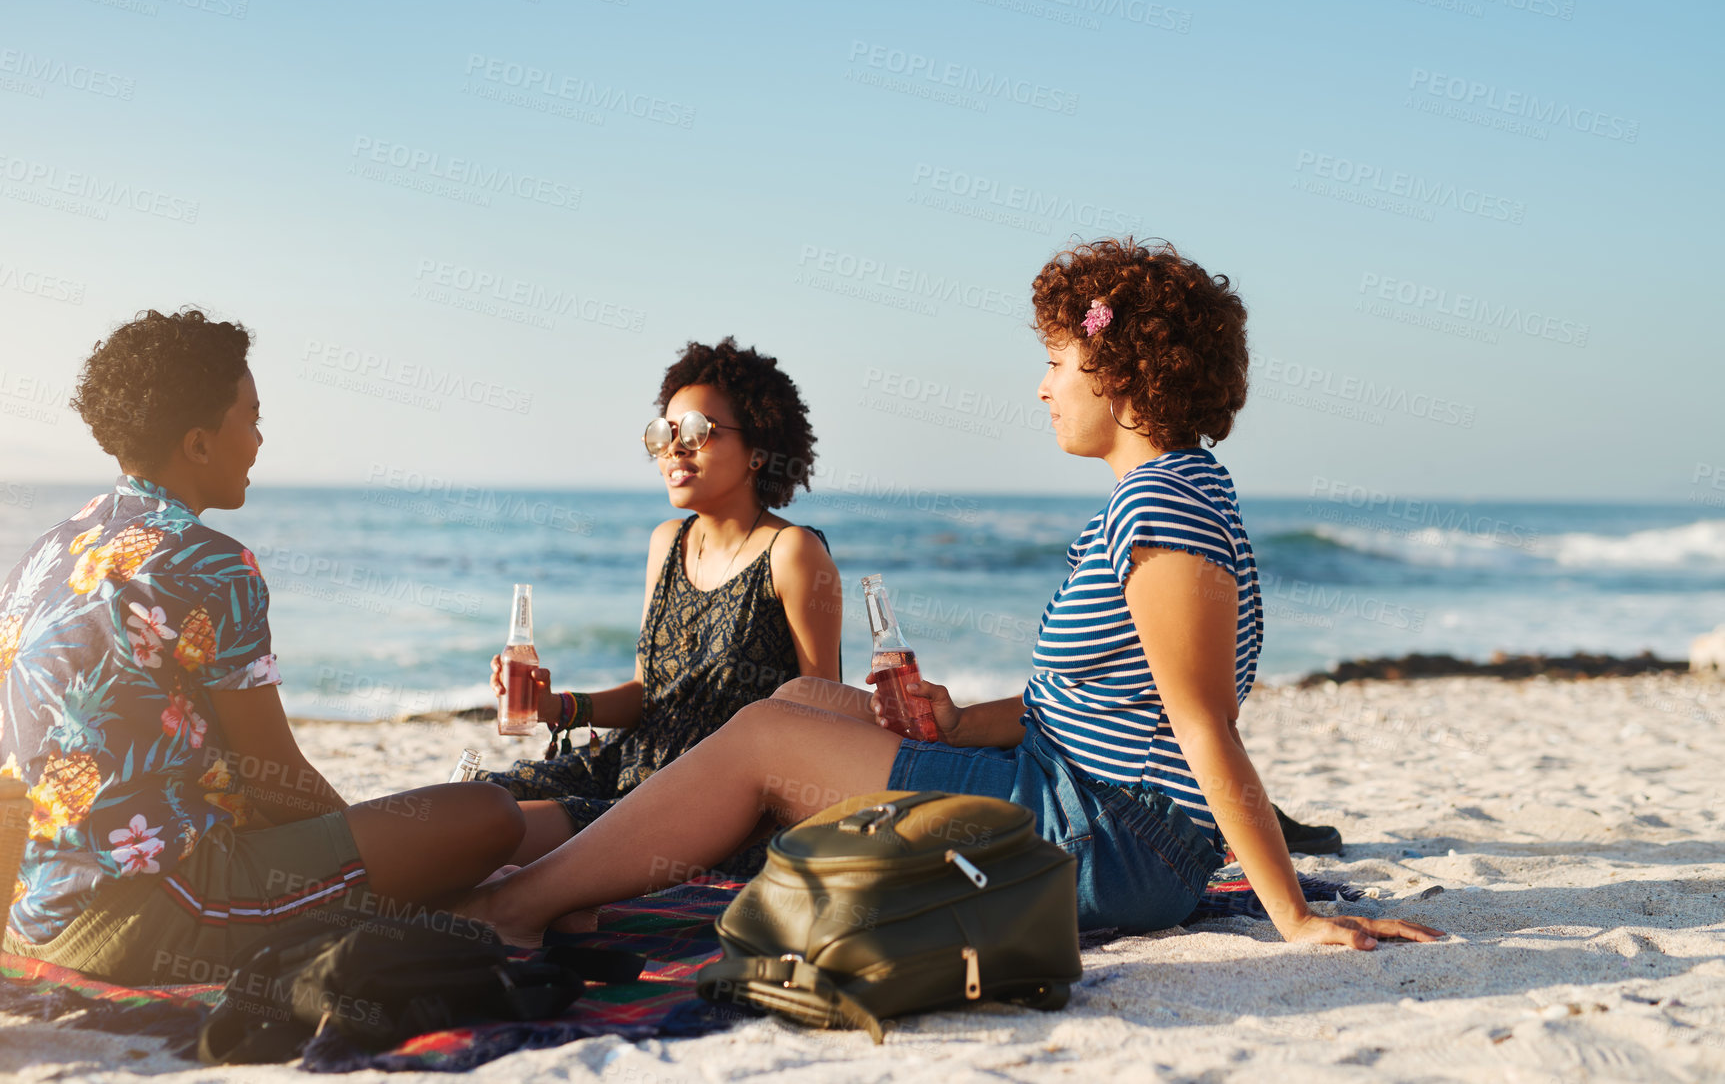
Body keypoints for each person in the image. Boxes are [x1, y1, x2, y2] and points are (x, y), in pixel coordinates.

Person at [462, 239, 1442, 951]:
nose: (1044, 387)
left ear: (1122, 368)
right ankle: (602, 877)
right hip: (1081, 797)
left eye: (1059, 361)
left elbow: (1203, 723)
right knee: (795, 703)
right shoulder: (1170, 494)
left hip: (1106, 841)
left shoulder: (1160, 509)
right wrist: (955, 720)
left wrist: (1295, 916)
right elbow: (1100, 701)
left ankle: (522, 903)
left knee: (762, 743)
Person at [0, 309, 523, 985]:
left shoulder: (48, 550)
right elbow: (274, 776)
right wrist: (387, 861)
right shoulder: (212, 563)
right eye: (250, 418)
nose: (258, 439)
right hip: (146, 913)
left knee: (450, 823)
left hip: (36, 907)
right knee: (489, 817)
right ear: (198, 444)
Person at [478, 338, 844, 871]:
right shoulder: (667, 542)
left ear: (758, 449)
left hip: (703, 804)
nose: (674, 449)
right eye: (663, 435)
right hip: (626, 763)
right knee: (477, 798)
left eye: (696, 432)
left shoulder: (792, 552)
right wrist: (557, 705)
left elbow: (822, 711)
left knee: (490, 839)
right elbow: (649, 694)